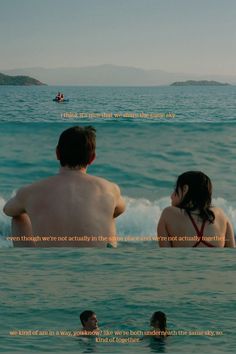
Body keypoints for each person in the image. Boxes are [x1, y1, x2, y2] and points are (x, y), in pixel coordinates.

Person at [3, 126, 126, 247]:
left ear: (57, 153)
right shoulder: (110, 189)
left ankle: (27, 260)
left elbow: (7, 210)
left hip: (45, 264)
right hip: (97, 263)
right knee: (110, 214)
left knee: (18, 217)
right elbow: (120, 209)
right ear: (92, 158)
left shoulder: (30, 191)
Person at [157, 171, 235, 247]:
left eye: (175, 189)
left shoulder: (168, 214)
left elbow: (165, 257)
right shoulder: (221, 216)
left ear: (185, 189)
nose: (171, 196)